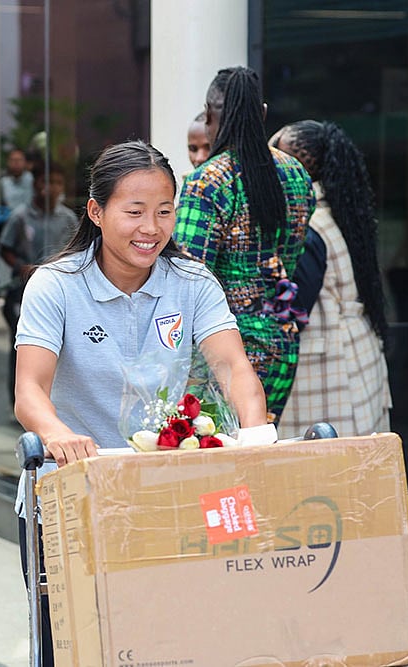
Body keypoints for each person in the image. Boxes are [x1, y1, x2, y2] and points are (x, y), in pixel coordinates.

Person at [13, 140, 275, 666]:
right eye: (134, 212)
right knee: (75, 645)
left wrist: (253, 433)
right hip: (73, 491)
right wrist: (59, 434)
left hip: (166, 492)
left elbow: (232, 367)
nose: (150, 228)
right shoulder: (55, 286)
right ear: (96, 211)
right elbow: (29, 391)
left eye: (164, 211)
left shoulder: (193, 283)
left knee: (174, 638)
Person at [174, 66, 315, 426]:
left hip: (223, 351)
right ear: (263, 114)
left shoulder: (207, 181)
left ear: (209, 116)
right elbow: (294, 255)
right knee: (257, 453)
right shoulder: (296, 173)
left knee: (213, 462)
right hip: (282, 341)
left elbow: (189, 273)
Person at [269, 120, 392, 436]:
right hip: (358, 357)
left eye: (274, 158)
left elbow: (294, 309)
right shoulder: (341, 212)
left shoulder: (308, 227)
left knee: (324, 478)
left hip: (330, 371)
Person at [0, 161, 77, 407]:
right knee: (24, 348)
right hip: (23, 290)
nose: (50, 188)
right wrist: (21, 268)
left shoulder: (68, 217)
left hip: (59, 291)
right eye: (45, 182)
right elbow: (5, 247)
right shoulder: (21, 216)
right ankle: (19, 401)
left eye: (56, 183)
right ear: (36, 185)